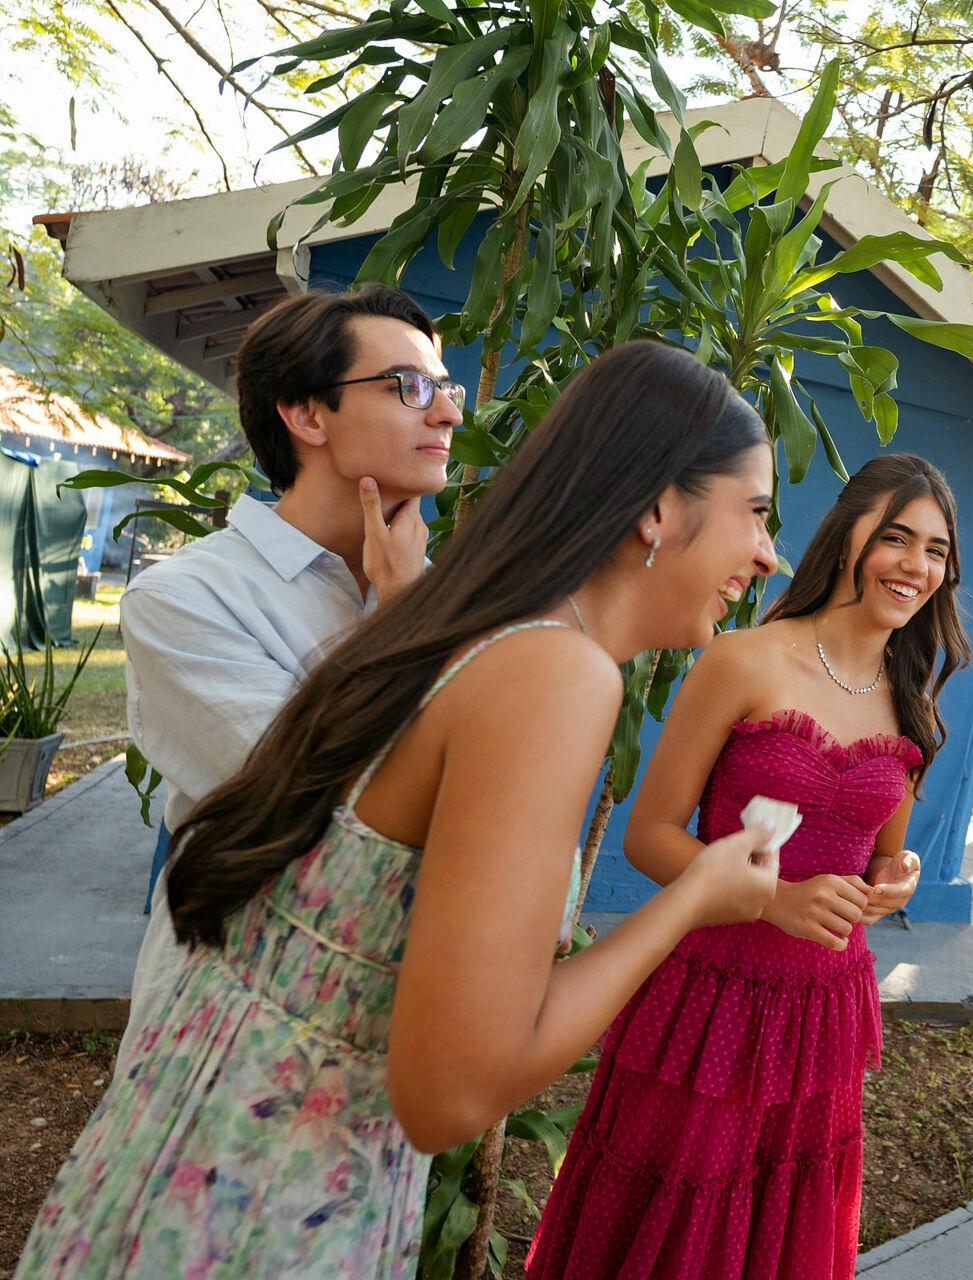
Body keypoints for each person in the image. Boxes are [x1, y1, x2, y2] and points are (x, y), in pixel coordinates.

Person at [19, 341, 787, 1278]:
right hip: (268, 1200)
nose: (768, 552)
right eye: (754, 512)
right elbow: (450, 1095)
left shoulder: (462, 625)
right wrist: (691, 898)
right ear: (660, 508)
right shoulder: (555, 675)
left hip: (184, 1146)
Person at [528, 454, 971, 1280]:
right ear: (849, 542)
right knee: (675, 1227)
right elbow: (650, 836)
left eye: (937, 552)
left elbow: (883, 852)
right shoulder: (744, 659)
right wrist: (774, 901)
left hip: (825, 1010)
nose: (916, 566)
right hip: (710, 1002)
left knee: (780, 1233)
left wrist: (898, 874)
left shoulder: (910, 696)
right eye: (897, 539)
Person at [115, 284, 448, 1078]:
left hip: (383, 1034)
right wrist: (400, 621)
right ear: (306, 415)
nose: (445, 415)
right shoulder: (185, 599)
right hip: (227, 1028)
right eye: (410, 386)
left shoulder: (443, 593)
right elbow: (311, 804)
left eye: (445, 388)